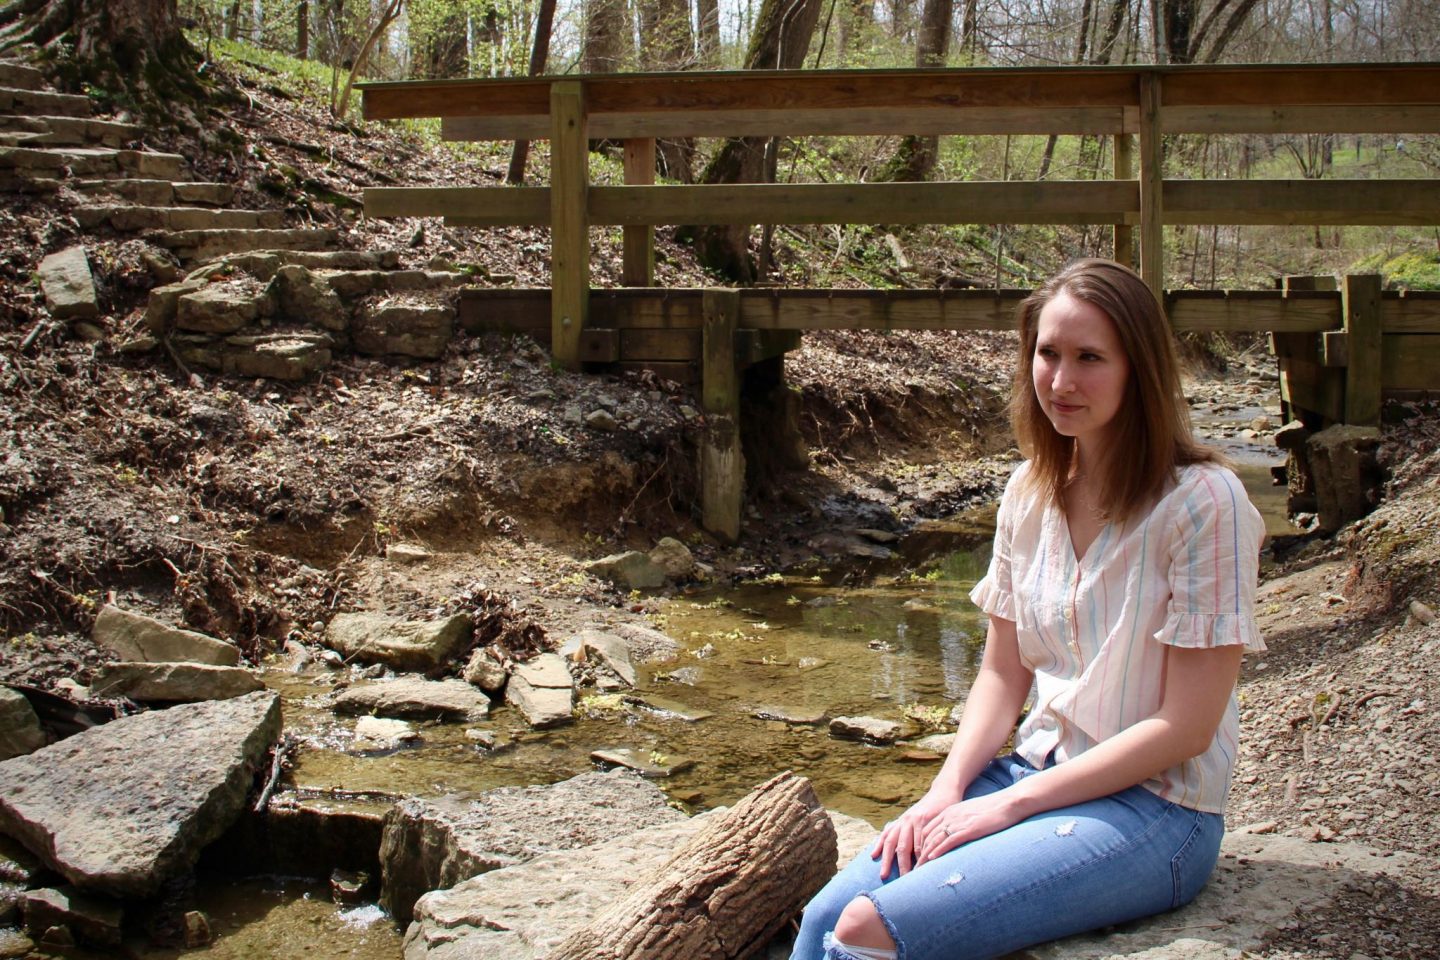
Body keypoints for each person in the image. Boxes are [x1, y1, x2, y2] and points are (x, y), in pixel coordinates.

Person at [790, 258, 1265, 960]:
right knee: (824, 915)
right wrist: (945, 790)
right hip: (1031, 771)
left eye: (1090, 359)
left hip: (1157, 811)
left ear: (1140, 370)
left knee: (869, 930)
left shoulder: (1203, 503)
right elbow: (1002, 673)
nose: (1061, 381)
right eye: (1048, 353)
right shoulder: (1029, 491)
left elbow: (1186, 727)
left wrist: (1005, 806)